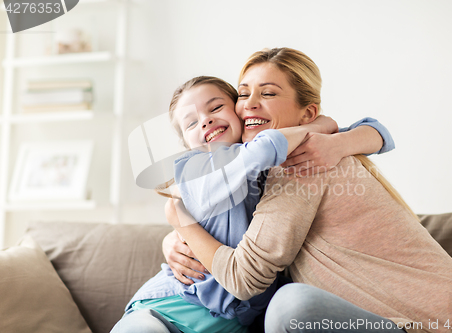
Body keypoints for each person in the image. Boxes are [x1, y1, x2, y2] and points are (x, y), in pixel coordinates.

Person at [164, 47, 452, 333]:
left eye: (267, 93)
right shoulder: (288, 158)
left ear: (306, 112)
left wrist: (181, 221)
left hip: (439, 324)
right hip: (403, 322)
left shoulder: (302, 163)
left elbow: (243, 280)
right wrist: (172, 240)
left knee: (291, 306)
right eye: (242, 93)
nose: (248, 105)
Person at [112, 74, 394, 333]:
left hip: (235, 323)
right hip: (167, 308)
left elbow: (377, 132)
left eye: (215, 108)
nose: (206, 121)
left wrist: (336, 139)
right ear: (186, 143)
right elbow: (264, 148)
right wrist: (318, 126)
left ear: (238, 110)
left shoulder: (273, 165)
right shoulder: (194, 169)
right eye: (191, 123)